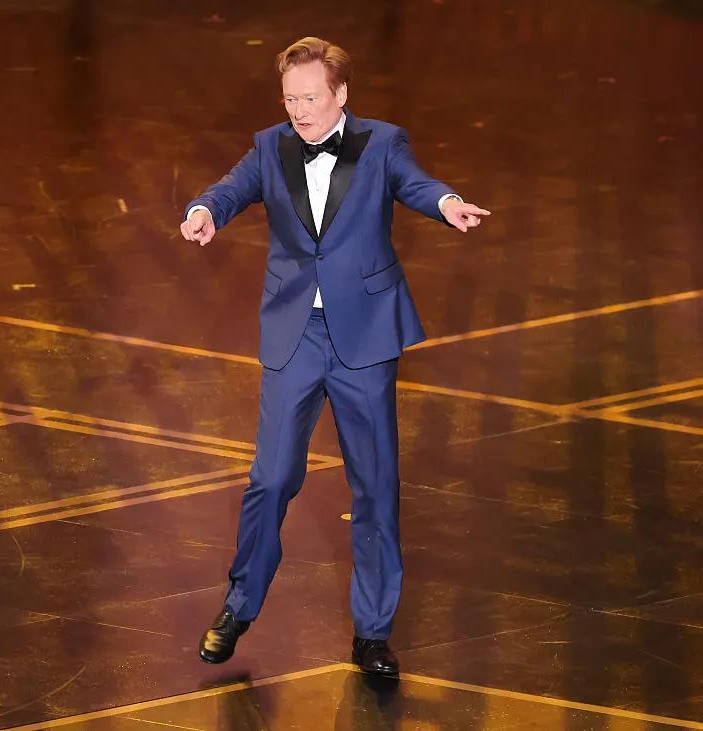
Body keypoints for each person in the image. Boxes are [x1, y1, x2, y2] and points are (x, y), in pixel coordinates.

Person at [180, 36, 489, 677]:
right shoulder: (272, 146)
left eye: (312, 98)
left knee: (374, 487)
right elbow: (232, 187)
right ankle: (239, 606)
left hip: (365, 337)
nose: (300, 111)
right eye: (291, 99)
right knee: (271, 478)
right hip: (296, 332)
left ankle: (372, 633)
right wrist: (205, 208)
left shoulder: (382, 143)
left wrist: (448, 204)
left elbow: (416, 183)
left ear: (342, 94)